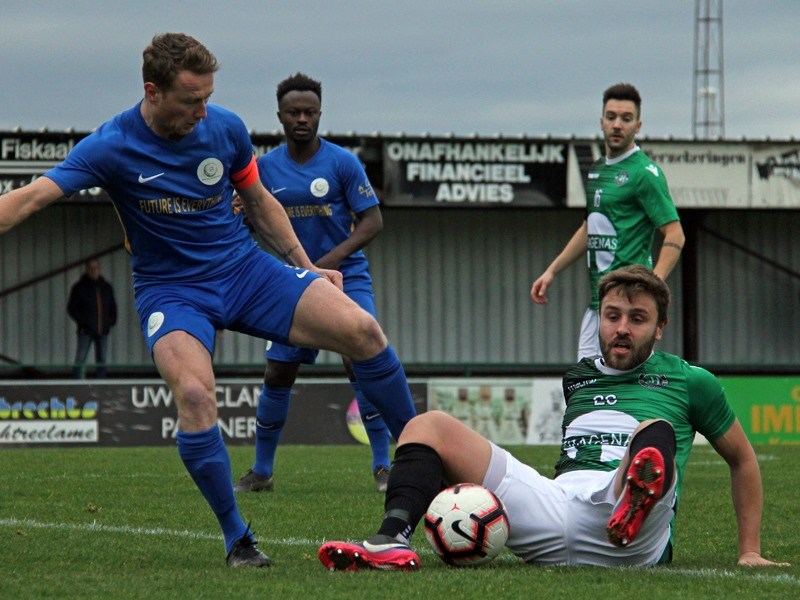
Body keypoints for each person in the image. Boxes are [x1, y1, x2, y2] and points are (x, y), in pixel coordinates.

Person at [0, 32, 416, 568]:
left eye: (207, 98)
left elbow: (259, 200)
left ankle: (418, 465)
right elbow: (29, 200)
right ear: (152, 92)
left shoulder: (225, 128)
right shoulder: (109, 146)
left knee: (363, 331)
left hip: (245, 271)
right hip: (172, 293)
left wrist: (305, 266)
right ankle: (238, 539)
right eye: (190, 100)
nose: (202, 112)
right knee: (196, 396)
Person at [318, 265, 790, 571]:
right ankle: (390, 539)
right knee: (429, 426)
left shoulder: (690, 381)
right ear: (599, 319)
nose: (622, 327)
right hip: (555, 505)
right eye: (612, 315)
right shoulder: (579, 378)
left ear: (660, 328)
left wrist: (749, 550)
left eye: (638, 318)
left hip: (629, 534)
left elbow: (743, 460)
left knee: (653, 431)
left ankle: (635, 493)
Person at [233, 73, 392, 495]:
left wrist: (326, 263)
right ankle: (262, 472)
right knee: (278, 372)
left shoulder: (342, 162)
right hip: (289, 282)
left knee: (362, 360)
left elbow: (373, 221)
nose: (302, 118)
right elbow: (252, 220)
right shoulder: (263, 168)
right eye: (293, 112)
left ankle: (383, 466)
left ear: (320, 114)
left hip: (346, 278)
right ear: (280, 116)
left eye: (310, 112)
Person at [531, 83, 685, 360]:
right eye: (611, 116)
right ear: (601, 121)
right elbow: (590, 226)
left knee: (626, 393)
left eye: (626, 119)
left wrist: (653, 285)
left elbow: (675, 234)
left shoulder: (645, 173)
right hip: (599, 304)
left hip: (629, 308)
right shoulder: (598, 169)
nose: (617, 124)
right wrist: (552, 271)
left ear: (637, 126)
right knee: (585, 392)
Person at [67, 258, 118, 378]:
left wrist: (110, 322)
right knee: (81, 358)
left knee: (102, 360)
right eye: (91, 268)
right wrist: (84, 322)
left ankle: (101, 384)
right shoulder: (79, 287)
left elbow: (113, 306)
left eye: (95, 268)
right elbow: (72, 308)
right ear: (87, 270)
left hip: (103, 330)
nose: (93, 270)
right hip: (85, 331)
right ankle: (76, 383)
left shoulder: (106, 287)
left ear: (99, 269)